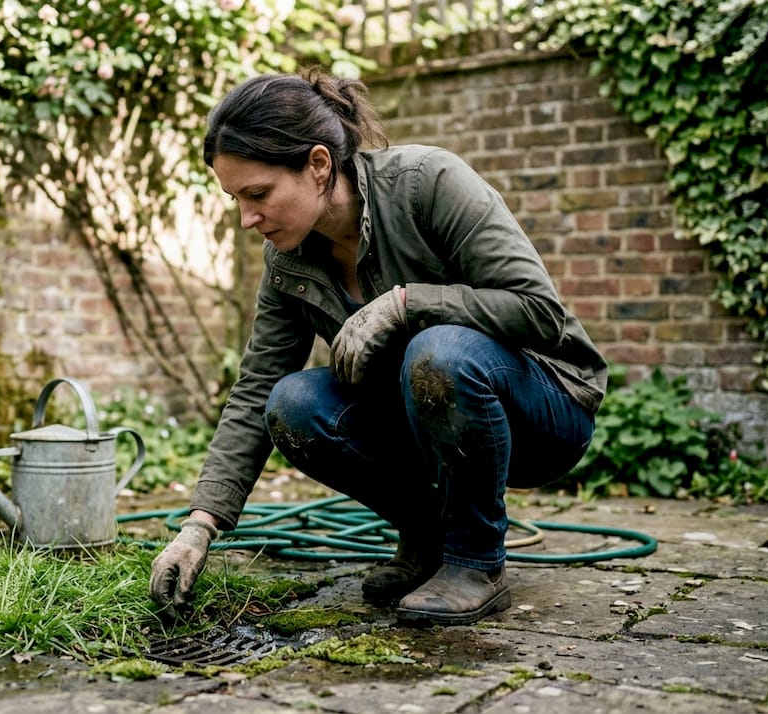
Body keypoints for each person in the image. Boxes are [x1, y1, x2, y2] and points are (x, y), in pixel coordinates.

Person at [148, 69, 607, 626]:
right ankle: (428, 540)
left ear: (319, 165)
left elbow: (539, 311)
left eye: (258, 194)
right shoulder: (290, 261)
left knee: (440, 350)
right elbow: (257, 388)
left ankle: (474, 560)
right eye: (235, 199)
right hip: (424, 416)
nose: (247, 219)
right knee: (292, 404)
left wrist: (405, 303)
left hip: (545, 408)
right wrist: (201, 525)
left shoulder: (427, 183)